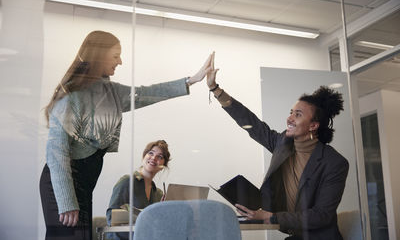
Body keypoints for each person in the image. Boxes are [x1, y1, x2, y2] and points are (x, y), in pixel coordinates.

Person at [39, 30, 212, 240]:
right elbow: (56, 155)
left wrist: (192, 80)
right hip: (62, 181)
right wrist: (66, 201)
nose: (120, 61)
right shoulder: (71, 96)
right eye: (115, 56)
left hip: (84, 181)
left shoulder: (111, 92)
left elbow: (148, 93)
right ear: (98, 56)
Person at [206, 52, 349, 240]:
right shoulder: (283, 143)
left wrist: (271, 216)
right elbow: (250, 122)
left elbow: (321, 216)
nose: (289, 118)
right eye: (291, 112)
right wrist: (216, 90)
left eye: (298, 114)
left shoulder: (334, 163)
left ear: (313, 125)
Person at [106, 139, 170, 240]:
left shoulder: (158, 193)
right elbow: (111, 217)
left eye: (160, 157)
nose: (153, 158)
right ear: (144, 156)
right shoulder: (127, 182)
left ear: (163, 166)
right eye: (151, 153)